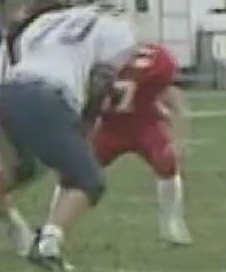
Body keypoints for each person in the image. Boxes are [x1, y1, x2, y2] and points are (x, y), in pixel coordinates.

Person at [0, 0, 140, 270]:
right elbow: (101, 79)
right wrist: (86, 123)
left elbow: (22, 55)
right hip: (49, 97)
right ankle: (48, 245)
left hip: (8, 91)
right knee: (88, 179)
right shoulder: (118, 28)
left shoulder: (47, 21)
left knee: (14, 172)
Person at [67, 41, 193, 246]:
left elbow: (172, 95)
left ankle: (172, 223)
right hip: (109, 128)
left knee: (167, 160)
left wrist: (180, 136)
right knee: (74, 170)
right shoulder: (92, 56)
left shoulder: (152, 60)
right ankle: (53, 225)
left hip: (145, 124)